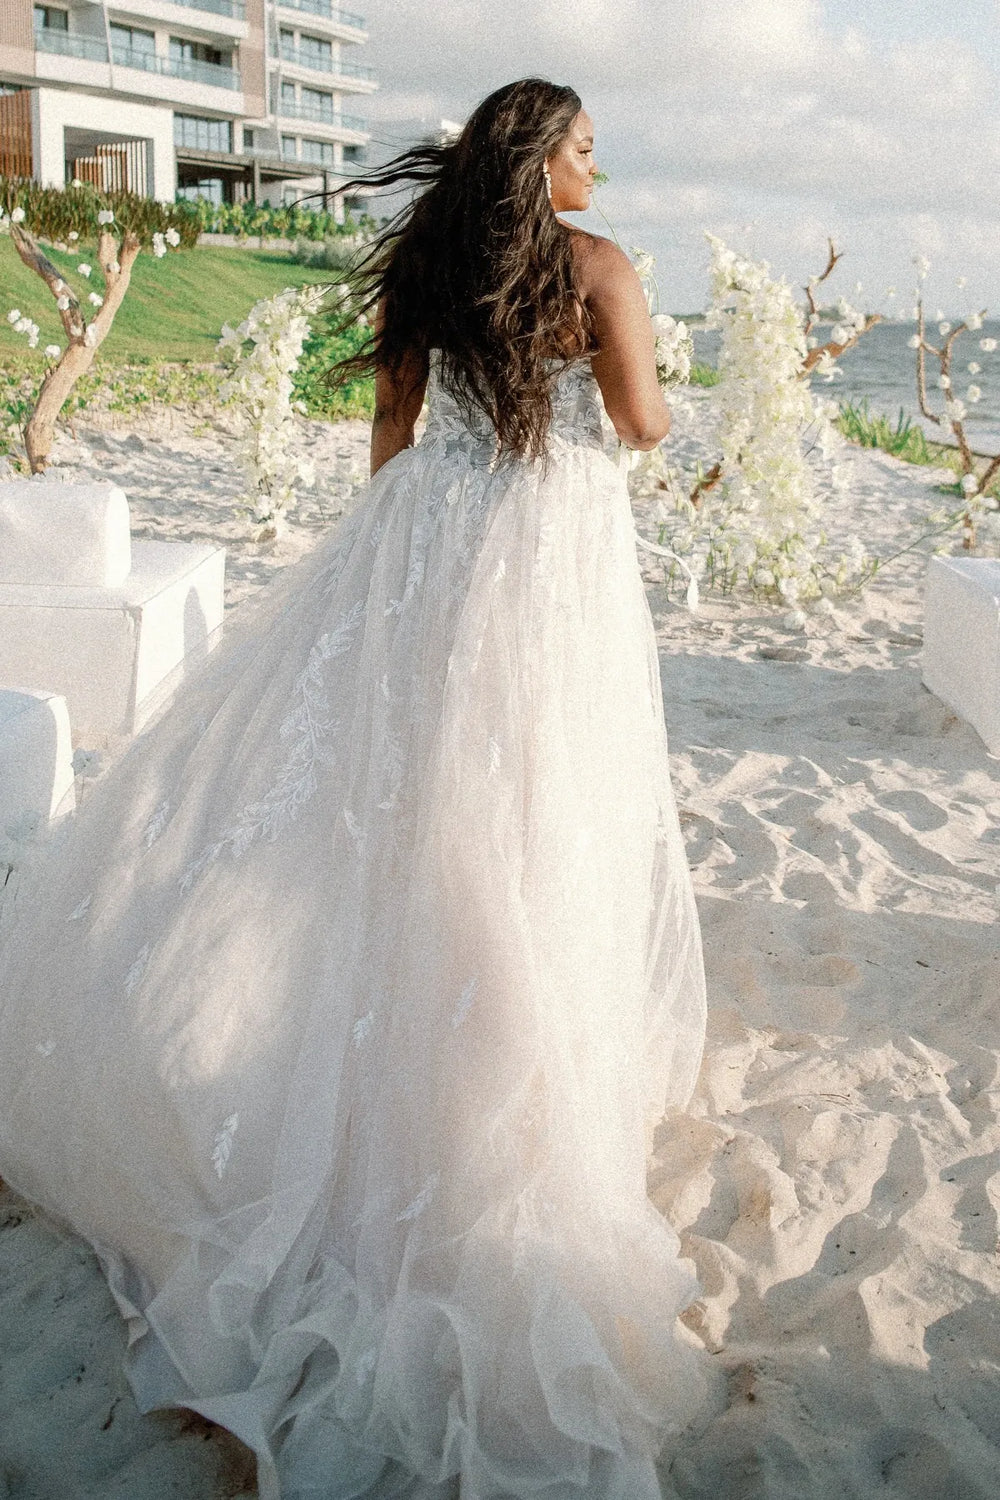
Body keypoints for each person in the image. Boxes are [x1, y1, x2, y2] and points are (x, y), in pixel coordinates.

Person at [0, 79, 708, 1499]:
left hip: (425, 544)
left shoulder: (437, 261)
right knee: (528, 811)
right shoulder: (603, 270)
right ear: (542, 158)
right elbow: (634, 424)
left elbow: (389, 440)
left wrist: (408, 553)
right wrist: (664, 401)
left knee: (396, 812)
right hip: (549, 561)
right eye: (583, 145)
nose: (599, 165)